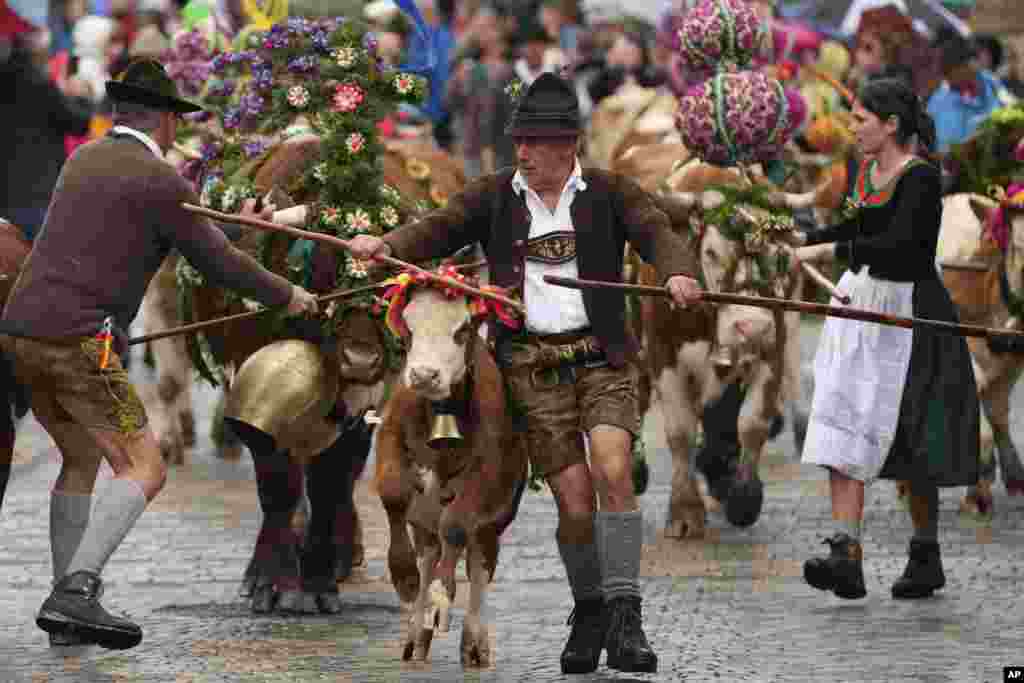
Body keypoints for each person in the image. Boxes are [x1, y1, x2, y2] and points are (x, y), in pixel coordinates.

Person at [348, 72, 702, 675]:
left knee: (615, 467)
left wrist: (677, 272)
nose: (524, 152)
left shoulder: (610, 193)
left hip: (602, 356)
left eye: (536, 142)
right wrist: (386, 243)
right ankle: (589, 609)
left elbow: (658, 235)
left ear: (568, 146)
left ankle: (626, 616)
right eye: (520, 140)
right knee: (573, 501)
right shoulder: (492, 196)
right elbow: (436, 230)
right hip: (530, 366)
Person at [0, 58, 319, 650]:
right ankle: (76, 590)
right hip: (77, 344)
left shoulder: (85, 157)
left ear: (120, 112)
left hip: (21, 333)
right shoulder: (161, 180)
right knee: (144, 466)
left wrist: (234, 231)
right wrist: (289, 293)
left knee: (79, 457)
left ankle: (67, 615)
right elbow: (218, 262)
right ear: (168, 122)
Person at [790, 78, 980, 601]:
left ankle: (925, 554)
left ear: (890, 124)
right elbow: (855, 227)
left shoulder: (920, 179)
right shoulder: (863, 171)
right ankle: (844, 554)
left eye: (859, 119)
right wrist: (803, 237)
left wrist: (829, 252)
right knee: (841, 416)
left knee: (910, 433)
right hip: (858, 304)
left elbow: (902, 250)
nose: (852, 128)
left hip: (908, 311)